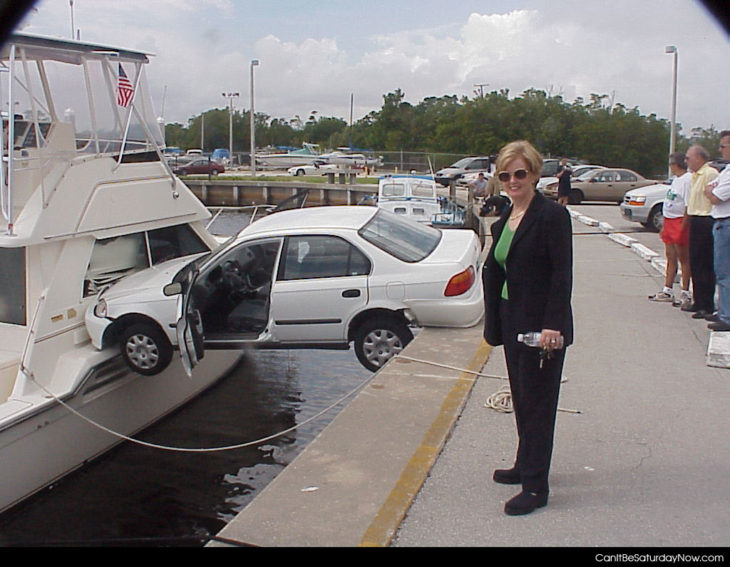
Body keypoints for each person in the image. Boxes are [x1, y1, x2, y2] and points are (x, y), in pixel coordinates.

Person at [482, 140, 573, 516]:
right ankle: (524, 464)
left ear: (535, 174)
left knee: (538, 404)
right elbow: (499, 269)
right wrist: (495, 323)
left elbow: (561, 274)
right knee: (521, 397)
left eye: (520, 173)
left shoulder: (551, 216)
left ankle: (536, 487)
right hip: (511, 317)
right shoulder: (506, 217)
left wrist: (553, 323)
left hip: (540, 325)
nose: (513, 180)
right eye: (506, 175)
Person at [648, 152, 692, 307]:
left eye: (671, 164)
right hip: (669, 221)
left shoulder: (687, 180)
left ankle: (685, 292)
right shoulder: (676, 180)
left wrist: (683, 226)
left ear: (676, 164)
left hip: (680, 222)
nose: (670, 167)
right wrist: (665, 225)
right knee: (670, 256)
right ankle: (667, 290)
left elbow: (688, 205)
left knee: (683, 258)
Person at [682, 145, 719, 320]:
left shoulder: (709, 173)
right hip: (695, 219)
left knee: (705, 263)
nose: (686, 161)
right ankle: (698, 300)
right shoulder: (694, 176)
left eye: (688, 158)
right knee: (695, 261)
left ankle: (707, 304)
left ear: (699, 158)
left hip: (706, 219)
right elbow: (692, 200)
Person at [704, 130, 730, 331]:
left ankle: (727, 316)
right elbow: (711, 188)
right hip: (720, 222)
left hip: (726, 223)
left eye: (723, 146)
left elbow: (714, 197)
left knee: (724, 272)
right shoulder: (726, 170)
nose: (720, 150)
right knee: (720, 270)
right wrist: (711, 190)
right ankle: (723, 309)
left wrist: (710, 191)